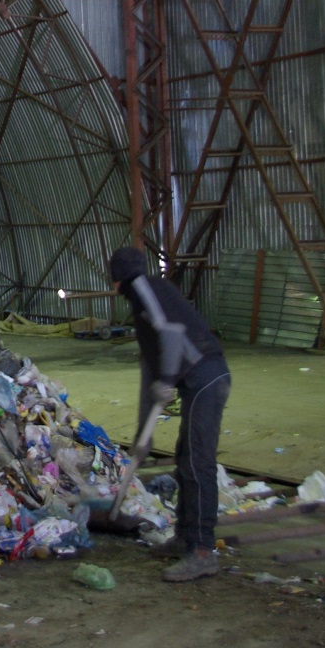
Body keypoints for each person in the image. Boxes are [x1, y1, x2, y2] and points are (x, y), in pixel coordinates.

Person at [109, 246, 231, 582]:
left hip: (207, 376)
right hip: (199, 379)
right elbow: (150, 369)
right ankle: (185, 538)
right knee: (185, 458)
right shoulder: (144, 298)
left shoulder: (143, 289)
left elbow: (173, 336)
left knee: (197, 463)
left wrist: (167, 380)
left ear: (116, 282)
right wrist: (141, 437)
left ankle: (203, 552)